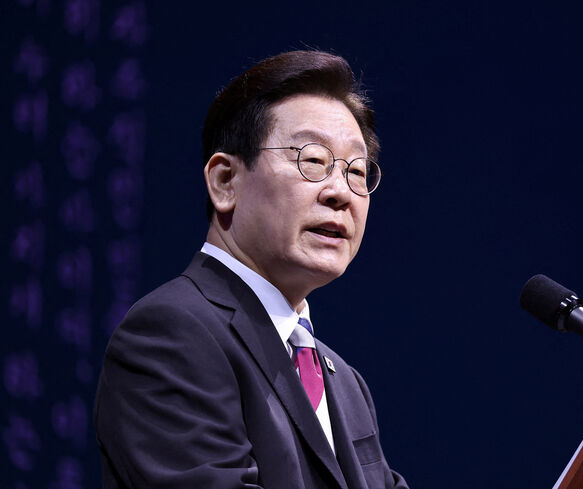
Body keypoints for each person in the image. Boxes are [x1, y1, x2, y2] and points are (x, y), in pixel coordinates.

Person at [94, 50, 409, 489]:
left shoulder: (344, 381)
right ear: (225, 181)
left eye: (357, 171)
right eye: (313, 160)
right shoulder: (170, 334)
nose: (341, 191)